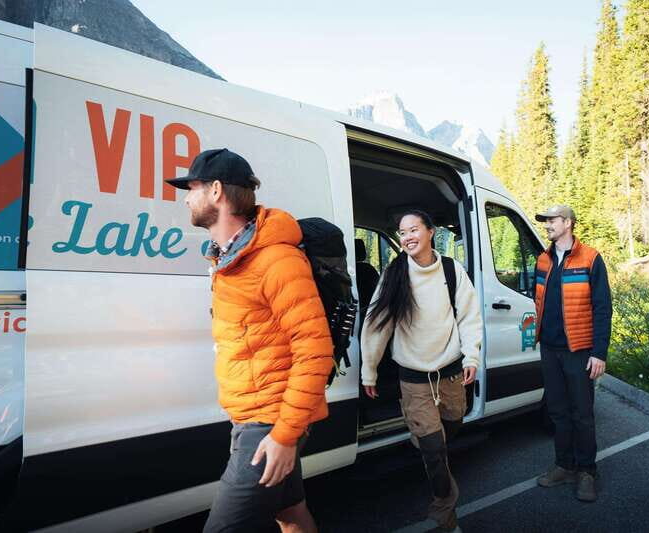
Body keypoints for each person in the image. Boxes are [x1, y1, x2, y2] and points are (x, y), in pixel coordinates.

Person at [166, 148, 334, 532]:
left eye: (191, 188)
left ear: (216, 191)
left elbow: (314, 350)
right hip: (251, 417)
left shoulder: (276, 260)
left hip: (269, 422)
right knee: (289, 515)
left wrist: (285, 435)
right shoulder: (229, 259)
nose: (186, 197)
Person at [361, 209, 482, 533]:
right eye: (402, 232)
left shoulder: (451, 270)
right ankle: (446, 516)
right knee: (434, 451)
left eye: (414, 229)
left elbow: (469, 317)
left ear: (430, 232)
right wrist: (369, 370)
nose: (408, 237)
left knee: (451, 429)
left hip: (451, 375)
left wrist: (471, 357)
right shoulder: (395, 273)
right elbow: (376, 325)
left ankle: (428, 436)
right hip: (413, 380)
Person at [532, 204, 612, 503]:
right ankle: (564, 466)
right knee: (558, 412)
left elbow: (602, 308)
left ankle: (587, 471)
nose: (547, 225)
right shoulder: (543, 260)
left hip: (579, 351)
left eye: (551, 220)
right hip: (550, 349)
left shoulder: (590, 258)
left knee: (582, 413)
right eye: (546, 221)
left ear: (568, 223)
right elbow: (537, 299)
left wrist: (599, 352)